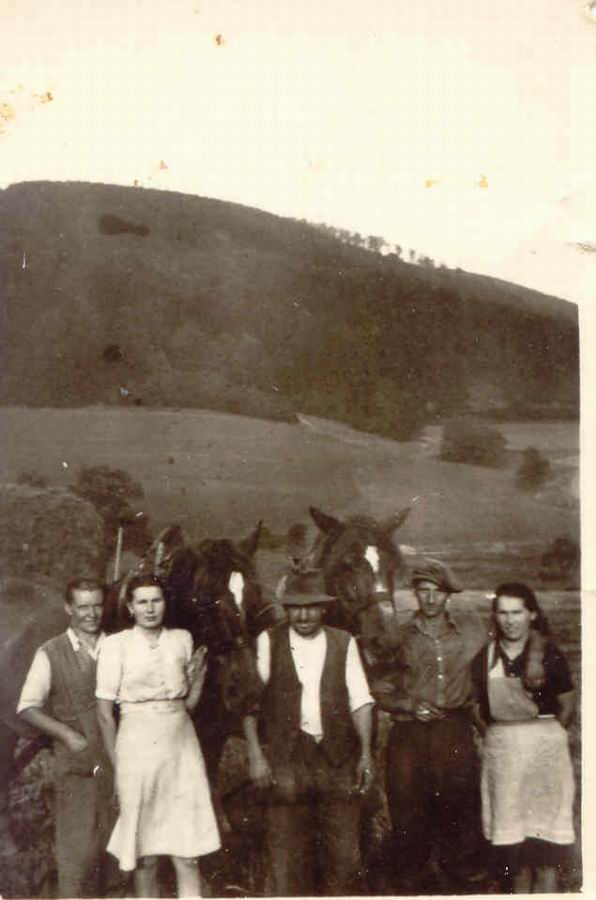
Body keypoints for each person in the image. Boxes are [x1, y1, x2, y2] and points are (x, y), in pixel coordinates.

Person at [243, 568, 375, 896]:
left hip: (337, 759)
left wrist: (366, 755)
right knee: (286, 857)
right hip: (287, 759)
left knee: (344, 857)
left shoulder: (343, 642)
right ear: (286, 609)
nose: (302, 616)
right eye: (295, 608)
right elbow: (249, 702)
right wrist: (256, 756)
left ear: (324, 608)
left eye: (311, 607)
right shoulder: (269, 640)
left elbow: (361, 701)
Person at [96, 573, 220, 898]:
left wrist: (198, 681)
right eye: (142, 602)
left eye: (156, 600)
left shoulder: (182, 639)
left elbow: (187, 705)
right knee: (145, 855)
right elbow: (104, 715)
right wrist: (118, 765)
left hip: (181, 749)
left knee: (188, 852)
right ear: (130, 607)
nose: (150, 609)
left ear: (165, 603)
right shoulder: (115, 645)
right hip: (136, 749)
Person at [370, 557, 488, 893]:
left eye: (438, 592)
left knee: (460, 806)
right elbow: (379, 686)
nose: (431, 599)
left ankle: (461, 881)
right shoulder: (399, 636)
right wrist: (408, 705)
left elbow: (486, 675)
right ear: (415, 594)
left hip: (454, 730)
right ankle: (412, 882)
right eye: (424, 591)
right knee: (408, 810)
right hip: (409, 734)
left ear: (448, 595)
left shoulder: (470, 633)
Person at [471, 582, 575, 893]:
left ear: (532, 615)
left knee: (544, 851)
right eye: (503, 613)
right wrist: (498, 739)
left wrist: (545, 740)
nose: (510, 620)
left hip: (544, 757)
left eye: (516, 612)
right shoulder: (485, 657)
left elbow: (567, 705)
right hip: (504, 759)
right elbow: (476, 708)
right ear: (495, 616)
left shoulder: (549, 655)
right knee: (515, 854)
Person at [17, 576, 115, 898]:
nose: (91, 614)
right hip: (77, 763)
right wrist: (68, 735)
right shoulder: (50, 652)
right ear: (68, 608)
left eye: (97, 606)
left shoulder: (118, 646)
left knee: (115, 851)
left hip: (117, 760)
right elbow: (27, 707)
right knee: (77, 854)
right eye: (83, 607)